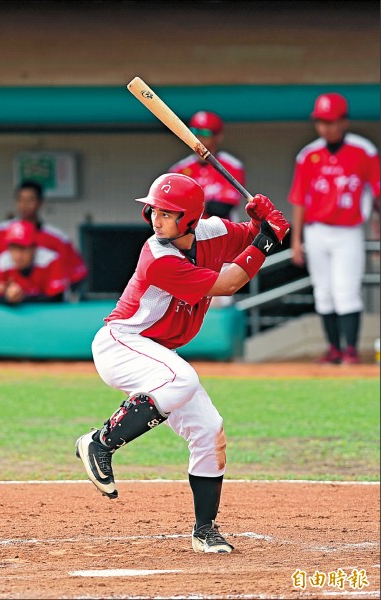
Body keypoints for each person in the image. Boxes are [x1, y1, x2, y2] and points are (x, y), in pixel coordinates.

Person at [75, 173, 290, 554]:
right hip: (122, 344)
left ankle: (204, 530)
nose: (156, 219)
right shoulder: (157, 256)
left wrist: (261, 221)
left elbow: (246, 234)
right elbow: (228, 283)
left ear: (190, 219)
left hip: (156, 352)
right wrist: (266, 242)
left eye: (167, 213)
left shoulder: (210, 232)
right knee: (183, 379)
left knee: (209, 429)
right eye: (153, 210)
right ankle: (100, 442)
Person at [288, 92, 380, 365]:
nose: (325, 127)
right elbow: (299, 200)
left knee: (346, 290)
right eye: (321, 121)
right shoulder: (308, 154)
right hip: (316, 231)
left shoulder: (364, 150)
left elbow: (376, 195)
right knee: (323, 292)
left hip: (348, 230)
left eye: (331, 121)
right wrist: (296, 241)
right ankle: (334, 349)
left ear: (343, 121)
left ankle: (350, 350)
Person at [0, 180, 88, 294]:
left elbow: (77, 274)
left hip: (45, 301)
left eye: (30, 200)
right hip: (3, 299)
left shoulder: (58, 237)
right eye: (21, 200)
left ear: (40, 202)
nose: (25, 205)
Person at [169, 111, 245, 221]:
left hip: (224, 232)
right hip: (189, 234)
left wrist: (188, 204)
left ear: (218, 137)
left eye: (205, 133)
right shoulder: (178, 170)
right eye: (194, 132)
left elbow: (222, 208)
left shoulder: (232, 166)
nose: (198, 138)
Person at [0, 220, 69, 304]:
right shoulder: (3, 262)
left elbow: (56, 297)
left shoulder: (51, 260)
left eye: (22, 248)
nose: (18, 255)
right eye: (13, 248)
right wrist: (8, 298)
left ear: (34, 248)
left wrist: (21, 298)